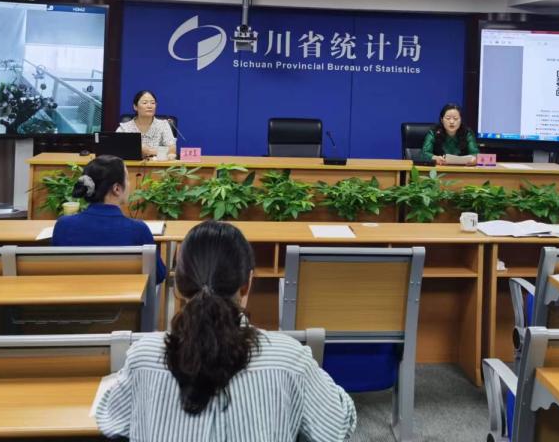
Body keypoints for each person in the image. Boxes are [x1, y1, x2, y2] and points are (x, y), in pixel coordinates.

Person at [95, 220, 356, 442]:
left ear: (179, 287)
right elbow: (338, 426)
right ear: (247, 285)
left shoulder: (143, 355)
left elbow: (110, 419)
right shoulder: (291, 359)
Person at [51, 155, 166, 282]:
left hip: (74, 293)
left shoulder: (63, 225)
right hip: (124, 294)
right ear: (117, 189)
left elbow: (56, 270)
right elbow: (158, 275)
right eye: (127, 179)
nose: (129, 184)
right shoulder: (138, 229)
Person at [116, 89, 175, 159]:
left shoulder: (163, 125)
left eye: (153, 103)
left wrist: (149, 151)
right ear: (135, 107)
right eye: (144, 103)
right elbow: (116, 149)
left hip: (157, 165)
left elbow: (172, 150)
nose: (149, 106)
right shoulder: (124, 128)